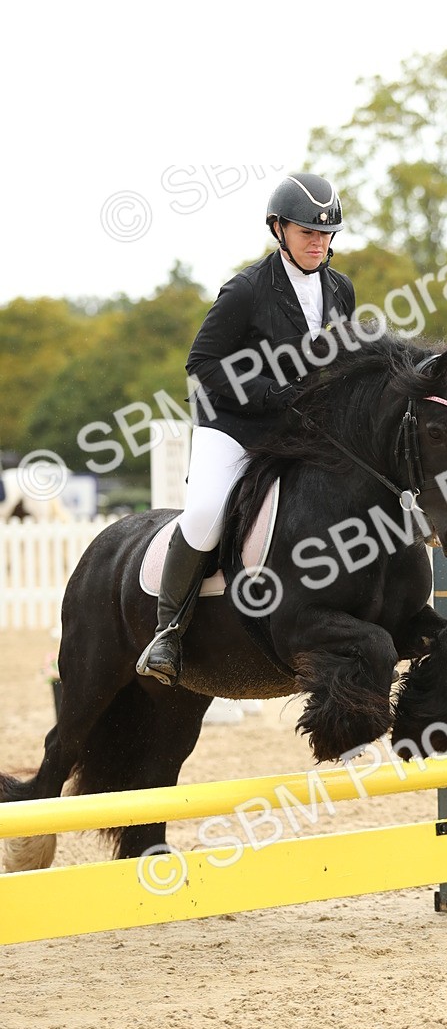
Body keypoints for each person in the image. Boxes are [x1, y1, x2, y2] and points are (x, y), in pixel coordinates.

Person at [136, 172, 356, 685]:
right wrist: (271, 396)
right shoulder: (246, 290)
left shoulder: (339, 288)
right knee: (209, 510)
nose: (317, 243)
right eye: (307, 232)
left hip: (302, 430)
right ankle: (167, 630)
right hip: (232, 426)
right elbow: (203, 364)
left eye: (326, 234)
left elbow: (344, 358)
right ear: (278, 229)